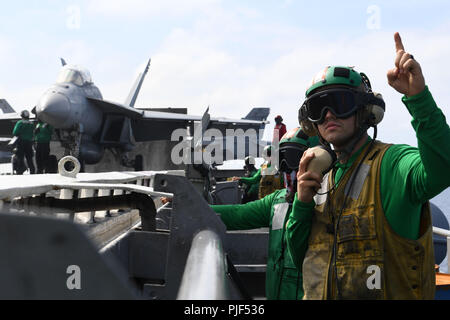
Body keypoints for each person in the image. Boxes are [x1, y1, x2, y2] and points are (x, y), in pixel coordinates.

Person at [286, 32, 450, 300]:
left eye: (339, 103)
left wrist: (418, 99)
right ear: (311, 121)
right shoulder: (320, 179)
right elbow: (302, 257)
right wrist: (302, 204)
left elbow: (443, 169)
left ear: (365, 111)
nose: (328, 115)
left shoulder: (392, 164)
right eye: (319, 107)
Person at [212, 128, 318, 300]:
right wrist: (189, 204)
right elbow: (237, 214)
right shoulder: (278, 201)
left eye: (291, 158)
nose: (284, 169)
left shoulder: (331, 206)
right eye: (280, 159)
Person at [12, 110, 35, 175]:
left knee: (20, 157)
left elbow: (15, 132)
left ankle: (20, 170)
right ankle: (32, 170)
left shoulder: (20, 123)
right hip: (29, 142)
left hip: (21, 142)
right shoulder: (31, 123)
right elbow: (33, 133)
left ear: (22, 116)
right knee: (29, 158)